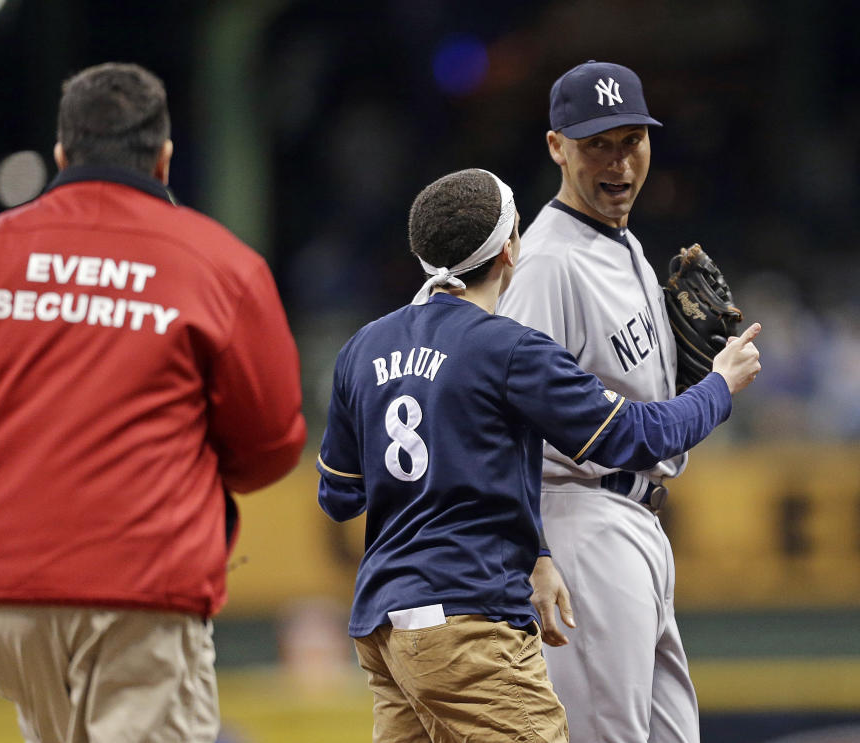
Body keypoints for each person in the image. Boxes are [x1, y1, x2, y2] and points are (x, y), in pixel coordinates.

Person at [0, 62, 306, 743]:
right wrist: (199, 470)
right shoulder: (221, 265)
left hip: (2, 601)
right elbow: (271, 443)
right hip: (142, 591)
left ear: (61, 156)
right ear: (165, 159)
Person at [316, 167, 760, 743]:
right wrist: (718, 387)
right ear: (509, 248)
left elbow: (340, 495)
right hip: (471, 621)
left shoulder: (363, 346)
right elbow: (635, 437)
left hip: (385, 625)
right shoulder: (506, 347)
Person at [496, 59, 718, 742]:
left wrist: (685, 375)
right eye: (597, 144)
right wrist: (533, 550)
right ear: (557, 146)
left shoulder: (625, 244)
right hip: (577, 523)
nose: (618, 161)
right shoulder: (547, 261)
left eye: (631, 140)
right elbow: (505, 413)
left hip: (638, 520)